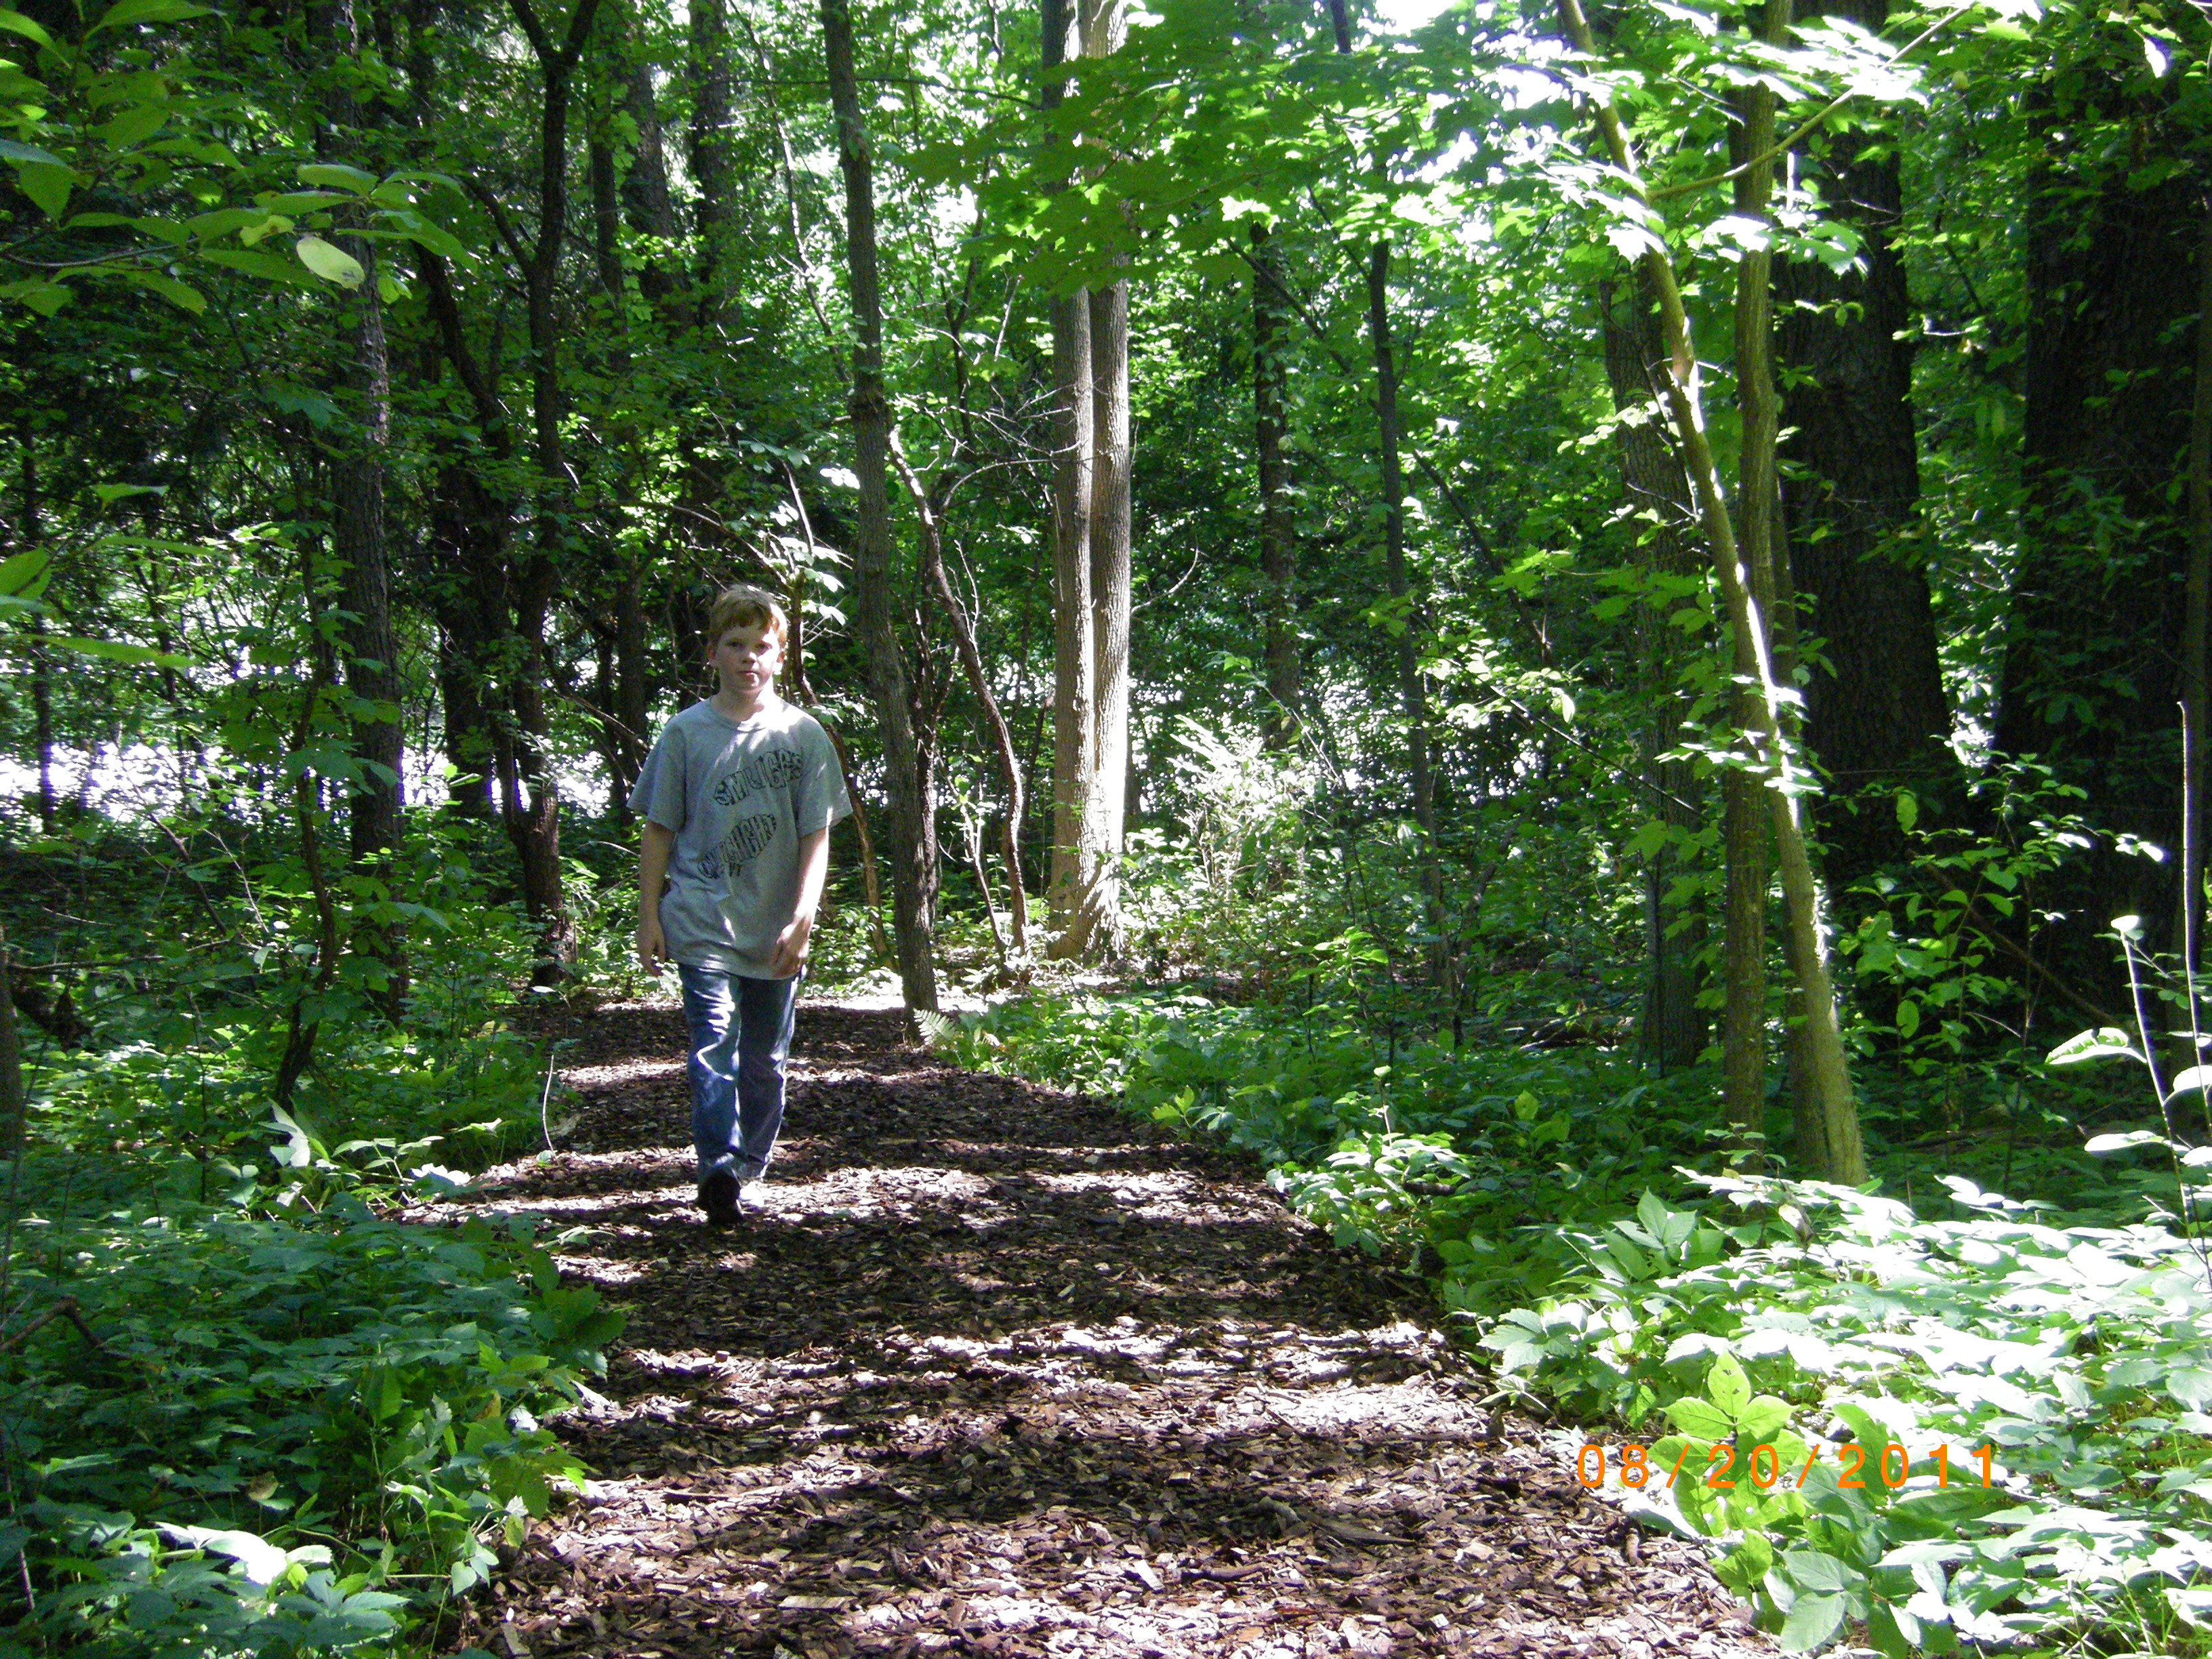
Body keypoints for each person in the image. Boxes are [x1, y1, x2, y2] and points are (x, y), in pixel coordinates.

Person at [632, 586, 850, 1224]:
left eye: (762, 646)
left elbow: (818, 833)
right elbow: (658, 829)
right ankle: (717, 1170)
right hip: (700, 918)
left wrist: (804, 917)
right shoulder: (685, 733)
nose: (748, 658)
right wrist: (649, 915)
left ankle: (752, 1159)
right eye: (735, 645)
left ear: (781, 657)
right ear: (712, 653)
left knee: (765, 1061)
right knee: (712, 1046)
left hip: (775, 927)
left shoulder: (803, 735)